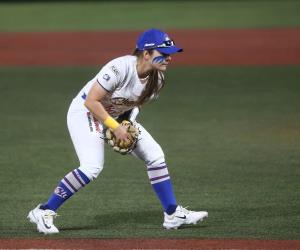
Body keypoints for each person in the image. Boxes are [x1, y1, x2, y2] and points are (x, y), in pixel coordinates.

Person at [27, 28, 208, 234]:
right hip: (85, 113)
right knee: (92, 166)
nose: (169, 58)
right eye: (163, 54)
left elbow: (135, 105)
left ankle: (172, 214)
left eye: (170, 54)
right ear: (146, 54)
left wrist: (126, 124)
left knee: (155, 156)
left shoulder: (157, 80)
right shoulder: (119, 68)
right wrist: (115, 127)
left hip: (114, 117)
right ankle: (44, 210)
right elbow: (91, 101)